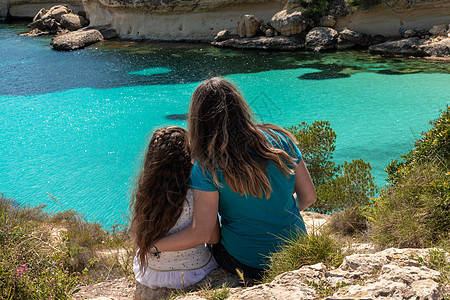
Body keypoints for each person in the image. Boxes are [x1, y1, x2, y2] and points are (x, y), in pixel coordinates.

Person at [155, 78, 316, 280]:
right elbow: (309, 197)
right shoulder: (280, 139)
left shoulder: (207, 165)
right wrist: (277, 214)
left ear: (199, 119)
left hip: (247, 262)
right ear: (240, 106)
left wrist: (153, 245)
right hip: (297, 249)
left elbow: (203, 233)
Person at [130, 126, 219, 290]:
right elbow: (213, 238)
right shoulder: (198, 193)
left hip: (153, 272)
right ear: (187, 158)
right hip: (195, 271)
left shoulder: (145, 193)